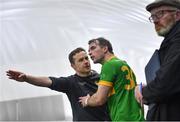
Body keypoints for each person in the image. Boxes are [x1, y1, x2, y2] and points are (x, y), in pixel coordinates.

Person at [6, 47, 110, 121]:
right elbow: (48, 81)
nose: (86, 62)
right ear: (73, 66)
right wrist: (26, 78)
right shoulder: (70, 82)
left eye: (86, 58)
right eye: (81, 60)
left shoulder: (102, 78)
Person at [79, 38, 144, 121]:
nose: (89, 53)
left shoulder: (109, 65)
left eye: (93, 48)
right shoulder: (123, 64)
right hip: (138, 118)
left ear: (105, 49)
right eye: (89, 50)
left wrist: (87, 101)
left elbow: (99, 99)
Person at [135, 0, 180, 120]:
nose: (155, 20)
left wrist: (144, 93)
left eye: (160, 14)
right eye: (153, 16)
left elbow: (165, 83)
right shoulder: (170, 41)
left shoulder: (177, 41)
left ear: (177, 15)